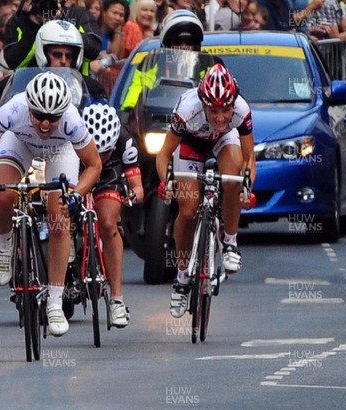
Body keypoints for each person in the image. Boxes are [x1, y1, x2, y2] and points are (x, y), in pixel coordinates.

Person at [0, 72, 102, 336]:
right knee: (4, 196)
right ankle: (5, 246)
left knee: (59, 218)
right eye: (39, 116)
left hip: (60, 151)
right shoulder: (13, 109)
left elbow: (94, 165)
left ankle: (54, 303)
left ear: (64, 112)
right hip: (19, 144)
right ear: (29, 107)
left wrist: (76, 195)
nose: (46, 124)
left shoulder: (72, 121)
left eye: (53, 117)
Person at [155, 64, 256, 318]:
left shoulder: (241, 111)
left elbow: (248, 159)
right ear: (203, 105)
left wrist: (247, 188)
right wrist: (166, 182)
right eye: (213, 110)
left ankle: (230, 243)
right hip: (191, 143)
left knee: (232, 181)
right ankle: (181, 279)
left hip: (224, 141)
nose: (221, 117)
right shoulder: (187, 110)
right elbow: (164, 154)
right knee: (187, 211)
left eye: (226, 109)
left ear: (234, 103)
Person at [81, 104, 143, 327]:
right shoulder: (72, 135)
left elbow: (138, 188)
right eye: (97, 152)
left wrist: (131, 197)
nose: (101, 157)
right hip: (79, 167)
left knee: (108, 223)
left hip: (110, 175)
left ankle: (116, 299)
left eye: (105, 152)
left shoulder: (125, 140)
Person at [121, 9, 205, 110]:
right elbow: (135, 92)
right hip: (159, 119)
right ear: (168, 44)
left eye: (189, 42)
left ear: (196, 45)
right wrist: (127, 112)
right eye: (178, 42)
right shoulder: (153, 62)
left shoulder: (207, 65)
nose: (183, 47)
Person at [2, 0, 103, 75]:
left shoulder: (79, 15)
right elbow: (12, 62)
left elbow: (93, 49)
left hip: (75, 89)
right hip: (29, 90)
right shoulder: (20, 20)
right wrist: (34, 26)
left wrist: (60, 24)